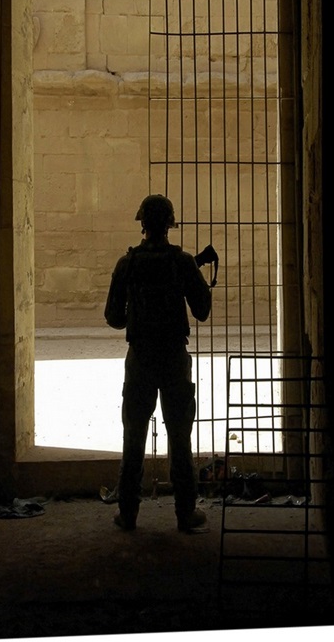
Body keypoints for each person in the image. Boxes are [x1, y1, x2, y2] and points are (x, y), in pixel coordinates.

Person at [104, 194, 212, 532]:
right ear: (169, 224)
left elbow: (113, 317)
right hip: (173, 358)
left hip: (139, 358)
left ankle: (129, 513)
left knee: (133, 436)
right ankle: (185, 513)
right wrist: (191, 277)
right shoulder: (180, 262)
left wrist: (138, 316)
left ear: (142, 224)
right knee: (180, 435)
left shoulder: (128, 263)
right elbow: (202, 312)